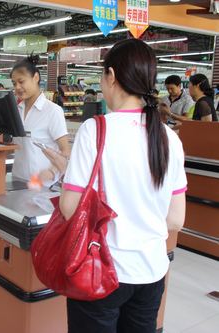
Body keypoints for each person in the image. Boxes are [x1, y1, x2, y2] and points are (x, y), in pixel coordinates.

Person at [42, 39, 187, 333]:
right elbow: (175, 220)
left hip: (101, 270)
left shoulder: (95, 129)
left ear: (110, 76)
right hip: (152, 271)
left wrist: (66, 172)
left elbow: (71, 208)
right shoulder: (169, 137)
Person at [10, 54, 70, 187]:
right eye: (14, 84)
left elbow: (65, 150)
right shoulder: (17, 110)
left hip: (44, 185)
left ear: (36, 78)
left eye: (21, 81)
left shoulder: (52, 111)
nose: (18, 87)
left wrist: (52, 172)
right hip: (18, 182)